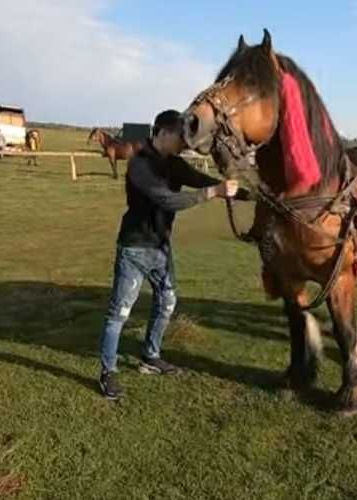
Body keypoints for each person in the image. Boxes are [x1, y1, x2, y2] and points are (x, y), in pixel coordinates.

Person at [97, 110, 247, 400]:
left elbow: (201, 180)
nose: (186, 144)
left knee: (166, 302)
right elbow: (168, 200)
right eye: (181, 138)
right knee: (119, 313)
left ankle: (150, 357)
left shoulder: (175, 164)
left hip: (161, 248)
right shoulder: (139, 164)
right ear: (163, 133)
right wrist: (214, 193)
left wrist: (246, 195)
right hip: (134, 248)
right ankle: (108, 372)